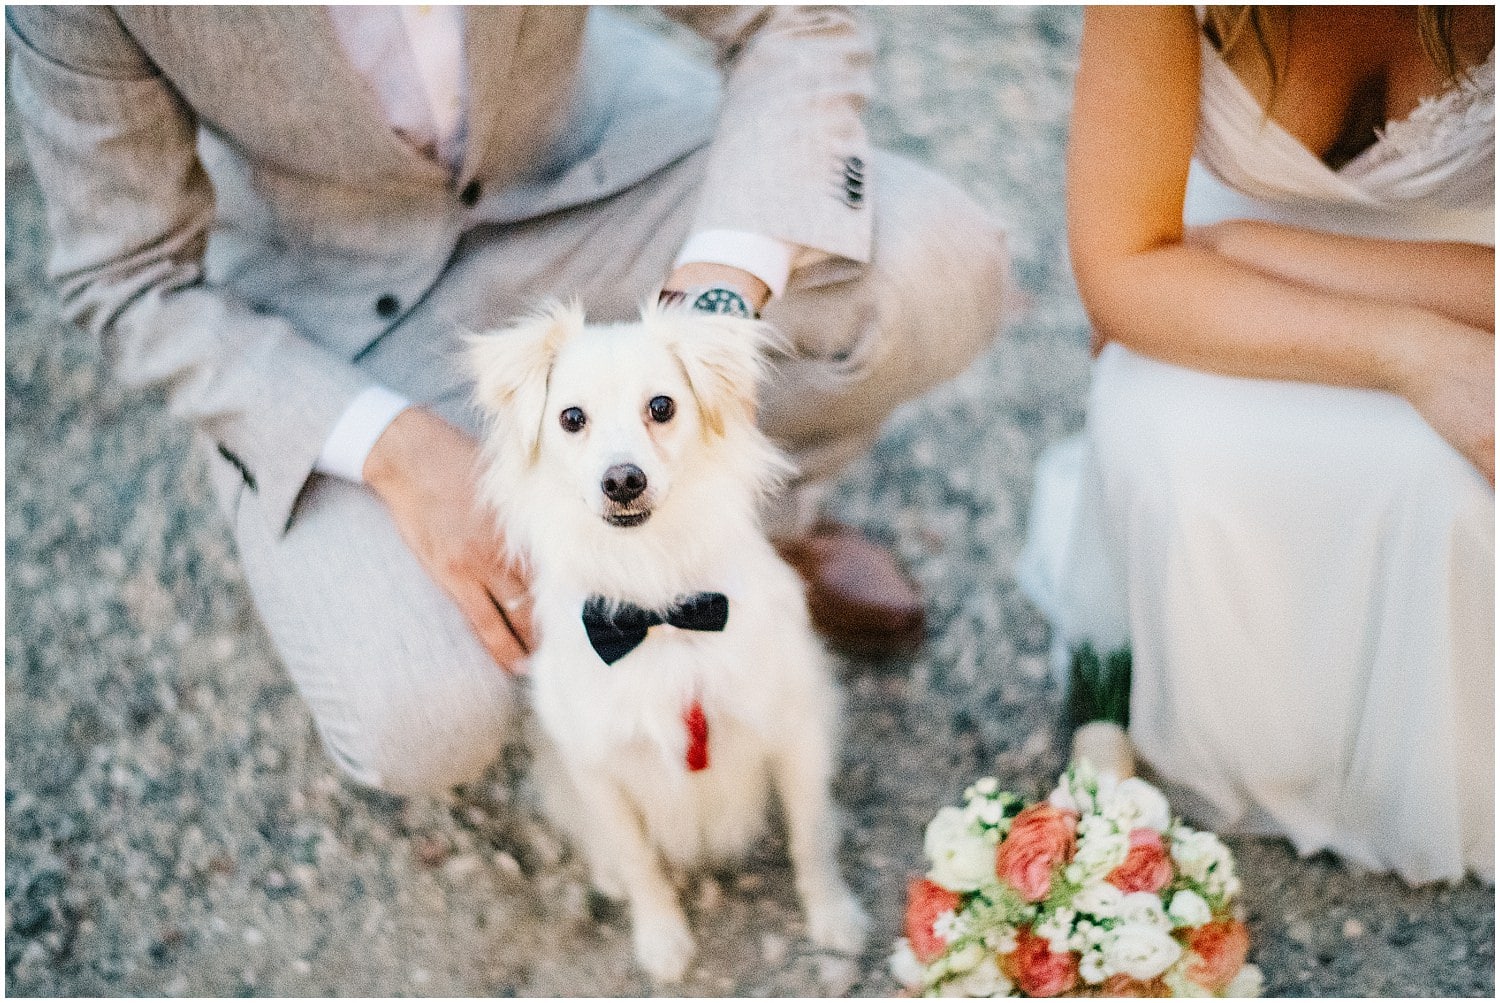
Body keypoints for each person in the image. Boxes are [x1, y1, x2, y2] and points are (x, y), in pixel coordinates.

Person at [10, 7, 1008, 794]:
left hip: (593, 170)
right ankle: (575, 641)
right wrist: (391, 446)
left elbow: (789, 18)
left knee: (936, 266)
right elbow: (130, 275)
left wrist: (712, 306)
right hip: (335, 296)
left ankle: (756, 536)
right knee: (418, 722)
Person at [1018, 5, 1493, 884]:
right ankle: (1224, 740)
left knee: (1454, 475)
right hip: (1218, 260)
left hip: (1465, 258)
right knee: (1170, 426)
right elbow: (1122, 270)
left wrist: (1241, 247)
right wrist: (1416, 354)